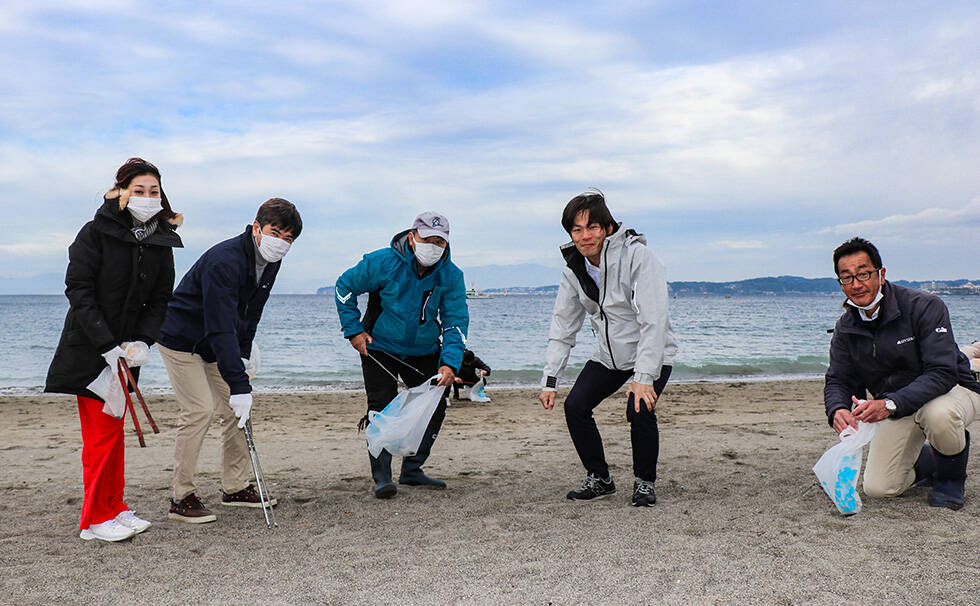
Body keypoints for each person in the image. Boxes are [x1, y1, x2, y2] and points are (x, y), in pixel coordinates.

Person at [45, 158, 184, 541]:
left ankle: (114, 507)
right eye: (139, 190)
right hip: (91, 350)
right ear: (122, 192)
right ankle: (94, 519)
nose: (147, 197)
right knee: (101, 435)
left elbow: (160, 299)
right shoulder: (94, 232)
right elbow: (78, 289)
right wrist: (107, 345)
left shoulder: (160, 240)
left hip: (129, 353)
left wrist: (143, 341)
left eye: (153, 191)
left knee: (114, 432)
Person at [157, 198, 302, 523]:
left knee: (240, 410)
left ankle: (234, 487)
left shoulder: (271, 261)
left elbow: (250, 313)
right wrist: (237, 381)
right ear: (256, 228)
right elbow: (220, 323)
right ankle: (181, 496)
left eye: (288, 239)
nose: (280, 242)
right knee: (199, 410)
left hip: (214, 343)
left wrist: (245, 355)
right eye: (275, 232)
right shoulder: (226, 260)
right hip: (181, 339)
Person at [539, 190, 677, 507]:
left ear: (607, 228)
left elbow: (653, 322)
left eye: (592, 227)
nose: (585, 236)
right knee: (575, 406)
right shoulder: (574, 269)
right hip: (610, 355)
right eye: (577, 229)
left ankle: (644, 483)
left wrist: (643, 378)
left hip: (652, 351)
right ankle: (600, 478)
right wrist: (550, 379)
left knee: (639, 407)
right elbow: (562, 325)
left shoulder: (639, 258)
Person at [824, 237, 980, 510]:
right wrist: (838, 409)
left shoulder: (924, 306)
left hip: (952, 389)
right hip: (898, 405)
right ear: (840, 283)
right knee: (879, 488)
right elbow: (839, 377)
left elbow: (943, 372)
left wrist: (887, 404)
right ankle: (932, 458)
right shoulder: (846, 326)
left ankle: (951, 475)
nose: (856, 284)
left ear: (881, 274)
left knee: (939, 416)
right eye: (847, 278)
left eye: (863, 273)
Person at [335, 211, 468, 499]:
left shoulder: (452, 276)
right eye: (427, 239)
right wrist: (354, 331)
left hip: (424, 349)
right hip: (378, 346)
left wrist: (449, 363)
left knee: (435, 404)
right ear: (412, 237)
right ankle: (382, 477)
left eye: (439, 242)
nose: (433, 246)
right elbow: (344, 287)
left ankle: (412, 470)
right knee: (380, 407)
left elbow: (456, 321)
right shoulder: (382, 262)